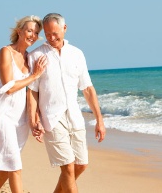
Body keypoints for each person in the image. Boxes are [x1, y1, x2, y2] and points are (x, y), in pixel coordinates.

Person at [27, 13, 106, 193]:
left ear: (65, 28)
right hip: (52, 118)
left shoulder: (77, 54)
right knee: (68, 167)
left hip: (74, 116)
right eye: (47, 34)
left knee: (81, 164)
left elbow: (87, 88)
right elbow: (32, 91)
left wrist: (99, 120)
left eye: (55, 33)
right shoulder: (36, 55)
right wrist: (34, 120)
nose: (51, 38)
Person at [0, 15, 48, 193]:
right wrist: (34, 76)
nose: (33, 35)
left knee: (7, 163)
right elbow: (9, 87)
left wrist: (34, 119)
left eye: (36, 32)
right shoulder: (5, 52)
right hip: (2, 114)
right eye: (29, 30)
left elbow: (31, 92)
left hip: (20, 118)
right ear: (19, 31)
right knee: (15, 165)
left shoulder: (30, 57)